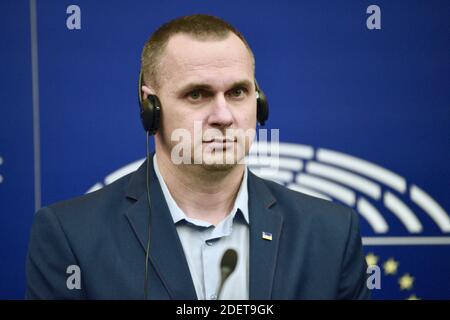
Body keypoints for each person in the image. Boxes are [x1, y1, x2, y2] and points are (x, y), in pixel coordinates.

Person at [26, 14, 370, 300]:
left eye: (237, 92)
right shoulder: (70, 236)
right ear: (150, 108)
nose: (223, 115)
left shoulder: (331, 233)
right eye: (197, 94)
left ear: (258, 102)